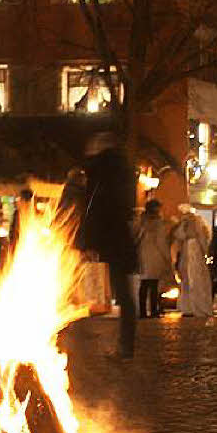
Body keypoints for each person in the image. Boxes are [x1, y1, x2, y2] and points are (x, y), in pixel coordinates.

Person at [81, 132, 138, 359]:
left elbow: (95, 209)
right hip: (120, 239)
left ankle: (123, 347)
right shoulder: (124, 172)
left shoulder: (100, 174)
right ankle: (125, 346)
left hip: (110, 240)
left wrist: (88, 240)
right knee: (124, 295)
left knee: (121, 293)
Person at [173, 205, 213, 317]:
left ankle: (188, 307)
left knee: (188, 278)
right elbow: (201, 237)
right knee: (196, 277)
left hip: (187, 249)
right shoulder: (196, 221)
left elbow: (179, 236)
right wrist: (205, 251)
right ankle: (198, 306)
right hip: (194, 249)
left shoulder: (184, 223)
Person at [135, 199, 172, 318]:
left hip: (143, 255)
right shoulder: (158, 223)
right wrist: (167, 257)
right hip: (155, 256)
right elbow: (161, 242)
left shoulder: (141, 221)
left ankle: (142, 312)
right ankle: (154, 310)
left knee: (144, 284)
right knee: (154, 285)